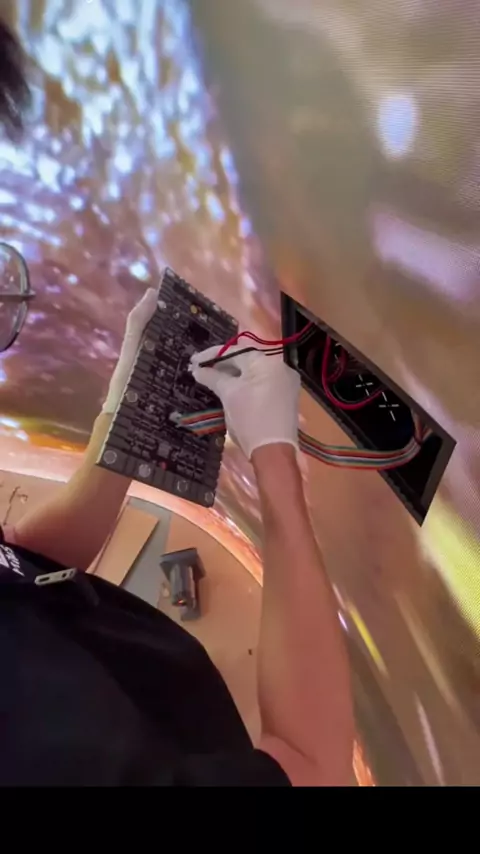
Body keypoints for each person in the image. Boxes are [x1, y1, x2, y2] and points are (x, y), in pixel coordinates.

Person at [0, 19, 353, 786]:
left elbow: (23, 563)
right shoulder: (46, 746)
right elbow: (311, 767)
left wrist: (126, 415)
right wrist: (277, 473)